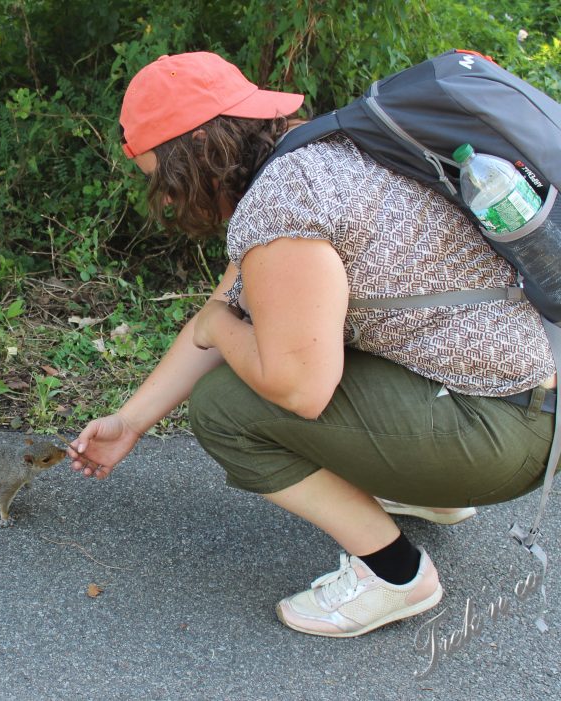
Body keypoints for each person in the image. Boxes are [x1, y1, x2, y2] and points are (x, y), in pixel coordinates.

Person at [67, 51, 557, 638]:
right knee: (299, 339)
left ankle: (395, 575)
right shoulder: (322, 149)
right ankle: (433, 494)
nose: (168, 202)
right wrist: (131, 421)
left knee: (227, 406)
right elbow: (230, 306)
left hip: (508, 433)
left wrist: (218, 326)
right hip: (526, 392)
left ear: (195, 156)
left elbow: (296, 386)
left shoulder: (282, 206)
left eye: (162, 181)